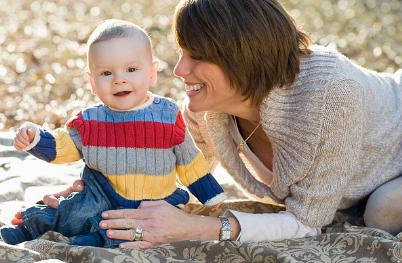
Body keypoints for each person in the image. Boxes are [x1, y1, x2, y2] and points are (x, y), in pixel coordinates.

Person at [25, 0, 402, 249]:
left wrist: (200, 229)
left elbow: (306, 225)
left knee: (382, 212)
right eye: (182, 52)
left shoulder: (333, 95)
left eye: (198, 56)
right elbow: (168, 175)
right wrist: (100, 193)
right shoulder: (208, 105)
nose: (179, 70)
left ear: (243, 57)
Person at [0, 19, 225, 247]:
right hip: (101, 192)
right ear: (92, 83)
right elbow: (64, 145)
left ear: (151, 73)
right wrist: (36, 138)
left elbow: (189, 158)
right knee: (72, 213)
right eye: (106, 73)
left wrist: (209, 193)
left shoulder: (167, 114)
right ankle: (31, 225)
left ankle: (98, 238)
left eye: (131, 69)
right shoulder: (89, 121)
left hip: (154, 200)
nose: (119, 79)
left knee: (136, 229)